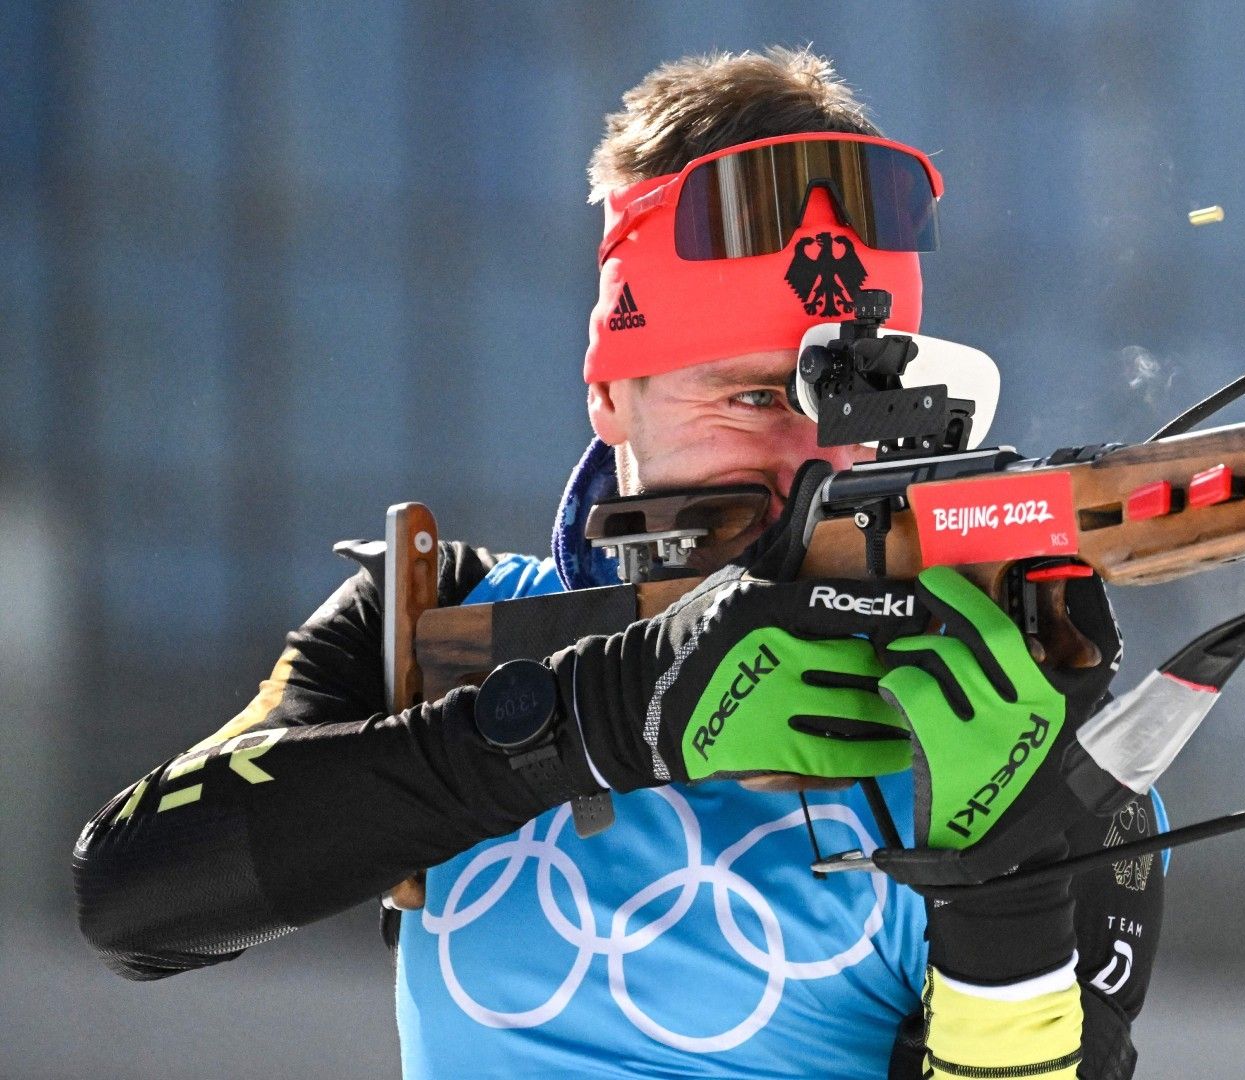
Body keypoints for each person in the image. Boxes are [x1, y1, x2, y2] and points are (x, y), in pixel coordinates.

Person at [73, 47, 1165, 1080]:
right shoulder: (439, 614)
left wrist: (1006, 889)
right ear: (609, 392)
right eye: (752, 397)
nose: (816, 459)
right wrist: (593, 716)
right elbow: (130, 903)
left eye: (859, 403)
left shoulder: (1002, 705)